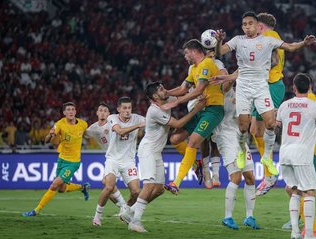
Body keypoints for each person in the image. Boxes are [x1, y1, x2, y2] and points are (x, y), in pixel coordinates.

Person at [214, 11, 316, 178]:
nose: (247, 27)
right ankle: (241, 151)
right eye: (244, 24)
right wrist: (219, 41)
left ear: (257, 26)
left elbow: (290, 47)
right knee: (243, 127)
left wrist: (304, 43)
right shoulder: (237, 41)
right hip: (244, 88)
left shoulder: (268, 40)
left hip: (262, 87)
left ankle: (267, 158)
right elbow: (219, 52)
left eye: (250, 24)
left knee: (271, 124)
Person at [123, 81, 205, 232]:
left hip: (156, 152)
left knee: (159, 189)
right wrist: (196, 109)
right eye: (161, 89)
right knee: (149, 186)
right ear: (155, 96)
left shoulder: (167, 100)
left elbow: (181, 96)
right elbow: (179, 124)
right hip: (147, 150)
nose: (165, 89)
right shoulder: (154, 111)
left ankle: (130, 211)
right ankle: (135, 222)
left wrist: (196, 92)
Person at [162, 39, 225, 194]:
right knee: (175, 139)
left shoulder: (207, 64)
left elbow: (198, 90)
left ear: (193, 51)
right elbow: (183, 88)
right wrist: (167, 93)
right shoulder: (193, 68)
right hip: (200, 109)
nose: (185, 56)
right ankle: (197, 164)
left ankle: (176, 183)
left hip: (213, 110)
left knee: (193, 142)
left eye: (186, 53)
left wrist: (175, 103)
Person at [277, 74, 316, 239]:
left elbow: (277, 128)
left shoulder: (284, 105)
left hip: (285, 153)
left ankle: (295, 232)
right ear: (309, 87)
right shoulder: (315, 105)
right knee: (308, 191)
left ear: (293, 88)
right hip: (302, 154)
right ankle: (309, 234)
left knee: (294, 191)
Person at [22, 102, 89, 216]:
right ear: (64, 113)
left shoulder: (83, 124)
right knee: (62, 189)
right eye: (68, 110)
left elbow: (88, 135)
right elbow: (46, 140)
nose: (71, 111)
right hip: (61, 159)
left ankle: (36, 210)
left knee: (54, 185)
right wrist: (51, 135)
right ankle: (82, 187)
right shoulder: (59, 124)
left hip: (73, 162)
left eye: (72, 109)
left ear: (75, 112)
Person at [212, 79, 261, 230]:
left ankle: (250, 216)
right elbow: (226, 84)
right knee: (236, 176)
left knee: (250, 177)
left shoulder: (242, 95)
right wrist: (240, 72)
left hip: (240, 138)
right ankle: (227, 217)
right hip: (225, 138)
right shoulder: (220, 93)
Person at [92, 97, 145, 226]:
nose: (127, 111)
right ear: (118, 109)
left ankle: (125, 210)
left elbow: (153, 122)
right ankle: (98, 216)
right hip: (113, 159)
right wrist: (138, 126)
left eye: (129, 108)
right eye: (125, 108)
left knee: (136, 192)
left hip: (129, 161)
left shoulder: (137, 117)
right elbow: (120, 131)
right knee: (109, 186)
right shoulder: (112, 118)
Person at [251, 12, 287, 197]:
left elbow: (272, 61)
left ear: (261, 26)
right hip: (265, 85)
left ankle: (270, 175)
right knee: (255, 131)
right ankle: (269, 171)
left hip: (271, 86)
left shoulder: (270, 37)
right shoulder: (274, 37)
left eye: (255, 25)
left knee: (267, 128)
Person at [85, 103, 127, 216]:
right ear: (97, 113)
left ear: (109, 114)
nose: (102, 112)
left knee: (107, 184)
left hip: (121, 156)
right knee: (106, 183)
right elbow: (82, 135)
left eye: (105, 110)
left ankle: (124, 206)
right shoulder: (93, 128)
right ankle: (123, 206)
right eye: (100, 110)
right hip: (111, 157)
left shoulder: (113, 123)